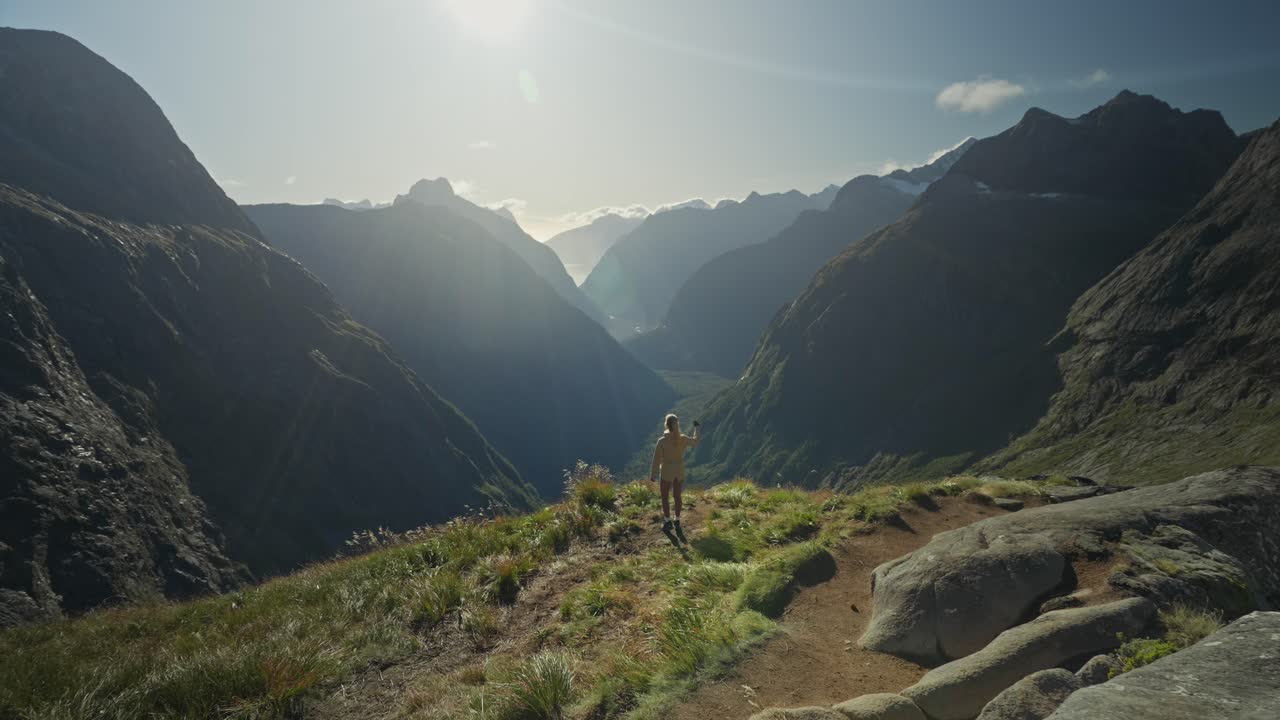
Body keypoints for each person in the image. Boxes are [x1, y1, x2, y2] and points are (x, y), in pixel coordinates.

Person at [649, 414, 700, 533]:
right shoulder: (682, 438)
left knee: (665, 497)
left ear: (666, 425)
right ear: (677, 424)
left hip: (667, 471)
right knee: (677, 496)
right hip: (679, 470)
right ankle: (677, 519)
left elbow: (656, 459)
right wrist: (696, 428)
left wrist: (653, 474)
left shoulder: (662, 441)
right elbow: (695, 442)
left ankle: (667, 521)